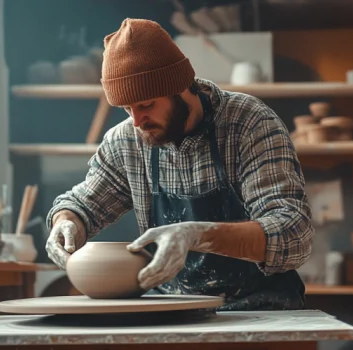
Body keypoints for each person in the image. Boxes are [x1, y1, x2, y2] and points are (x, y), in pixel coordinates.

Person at [45, 18, 314, 311]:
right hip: (170, 309)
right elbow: (84, 205)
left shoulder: (249, 123)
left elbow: (293, 235)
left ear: (181, 86)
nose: (137, 121)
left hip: (262, 306)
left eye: (146, 105)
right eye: (127, 109)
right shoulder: (127, 140)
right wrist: (66, 222)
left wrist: (197, 236)